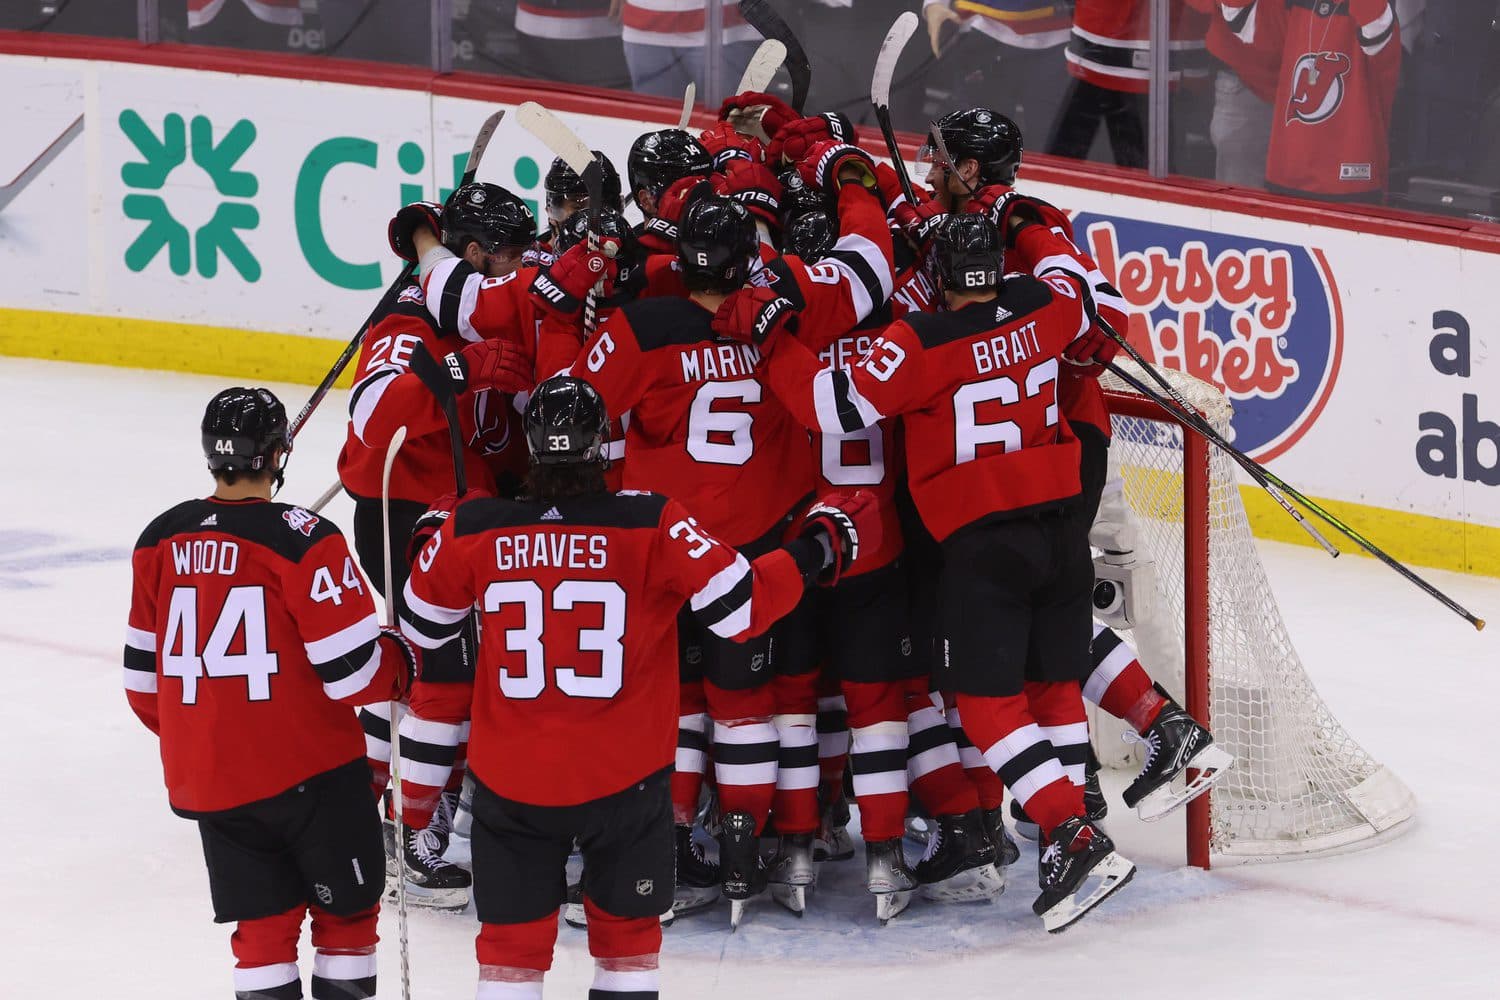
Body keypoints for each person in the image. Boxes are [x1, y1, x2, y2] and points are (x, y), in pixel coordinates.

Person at [716, 214, 1137, 932]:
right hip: (1061, 534)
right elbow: (1080, 284)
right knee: (1050, 685)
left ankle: (1073, 832)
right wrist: (1025, 217)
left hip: (981, 546)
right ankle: (1076, 810)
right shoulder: (1047, 305)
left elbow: (826, 406)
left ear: (939, 280)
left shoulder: (919, 342)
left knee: (984, 707)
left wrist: (770, 337)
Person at [393, 376, 877, 997]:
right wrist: (819, 548)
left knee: (510, 958)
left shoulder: (475, 527)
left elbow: (422, 627)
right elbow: (742, 607)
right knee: (625, 954)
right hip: (624, 785)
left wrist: (431, 543)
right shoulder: (652, 521)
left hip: (512, 786)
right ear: (601, 447)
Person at [563, 152, 895, 921]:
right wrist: (848, 170)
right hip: (755, 553)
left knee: (666, 703)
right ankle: (746, 848)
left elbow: (564, 419)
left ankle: (663, 847)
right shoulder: (790, 306)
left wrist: (587, 292)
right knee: (743, 703)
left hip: (660, 553)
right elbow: (870, 263)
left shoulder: (639, 326)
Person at [125, 387, 414, 999]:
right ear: (278, 454)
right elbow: (356, 675)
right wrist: (401, 660)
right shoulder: (304, 538)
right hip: (315, 776)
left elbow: (142, 686)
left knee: (261, 929)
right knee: (347, 921)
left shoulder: (159, 538)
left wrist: (213, 733)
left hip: (212, 782)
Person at [345, 180, 537, 908]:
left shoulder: (482, 300)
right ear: (476, 252)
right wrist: (452, 374)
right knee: (443, 678)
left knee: (420, 665)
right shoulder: (407, 322)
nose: (519, 269)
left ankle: (372, 801)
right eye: (510, 256)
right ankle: (404, 834)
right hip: (405, 514)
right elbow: (370, 429)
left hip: (463, 515)